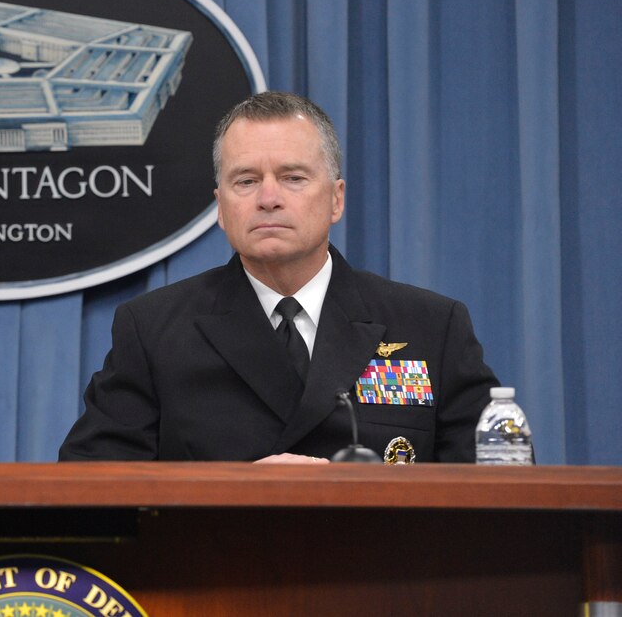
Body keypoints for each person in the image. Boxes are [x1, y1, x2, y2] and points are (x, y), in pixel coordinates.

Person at [60, 91, 498, 463]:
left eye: (292, 178)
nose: (269, 198)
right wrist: (242, 494)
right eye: (246, 181)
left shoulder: (430, 326)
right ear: (220, 207)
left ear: (336, 199)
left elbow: (497, 490)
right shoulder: (154, 330)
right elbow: (92, 485)